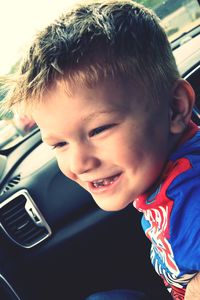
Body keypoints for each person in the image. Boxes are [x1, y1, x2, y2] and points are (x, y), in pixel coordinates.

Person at [1, 1, 200, 299]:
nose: (78, 162)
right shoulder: (165, 177)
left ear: (175, 108)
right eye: (59, 144)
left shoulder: (191, 198)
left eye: (98, 130)